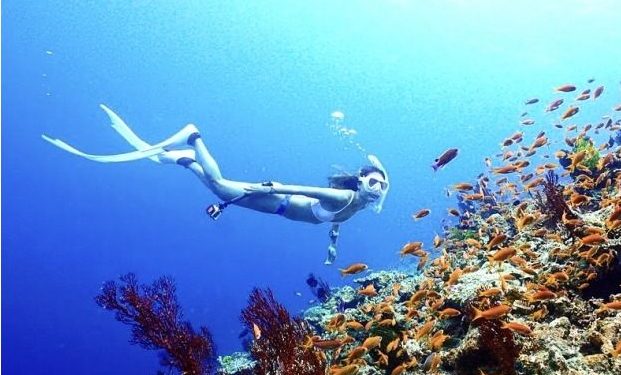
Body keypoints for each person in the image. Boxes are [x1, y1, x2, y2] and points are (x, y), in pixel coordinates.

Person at [42, 105, 389, 264]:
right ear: (361, 181)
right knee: (221, 187)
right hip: (278, 201)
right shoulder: (345, 194)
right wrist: (264, 189)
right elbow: (305, 190)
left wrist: (332, 246)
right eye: (373, 181)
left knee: (216, 189)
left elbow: (337, 219)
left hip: (279, 206)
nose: (377, 188)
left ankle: (184, 160)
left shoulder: (356, 204)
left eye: (381, 185)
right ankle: (193, 138)